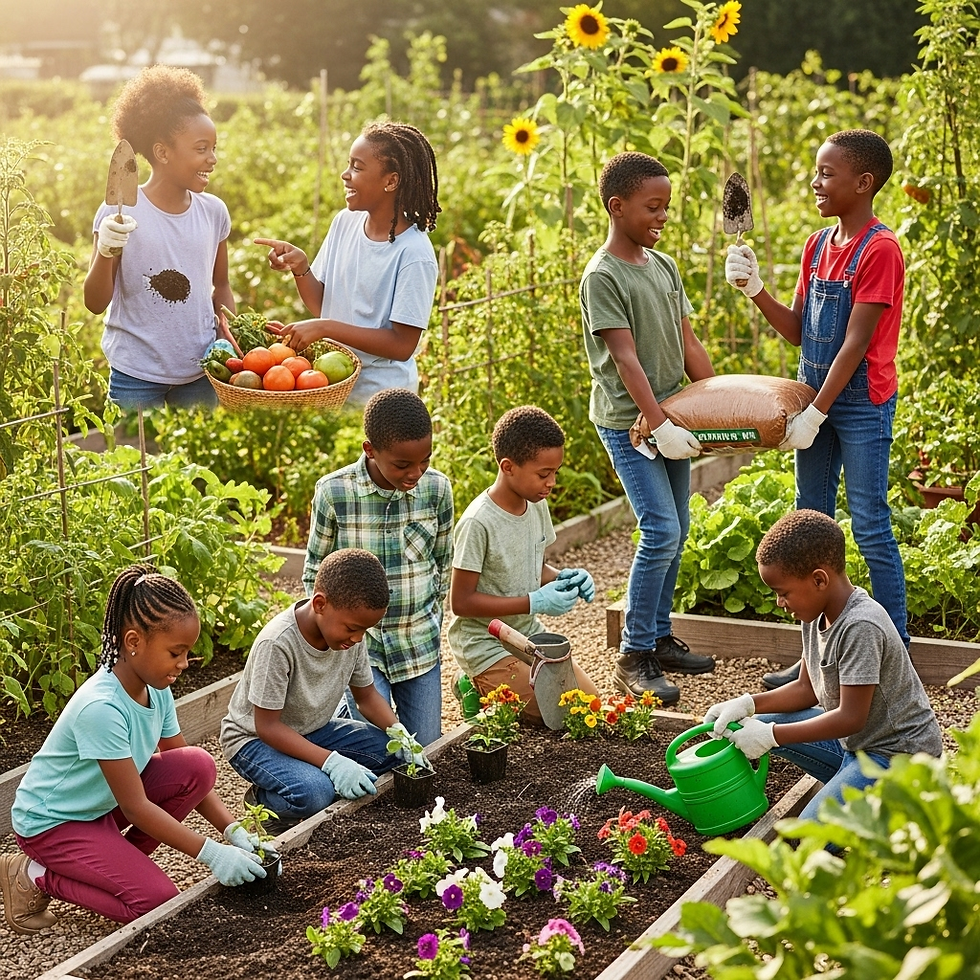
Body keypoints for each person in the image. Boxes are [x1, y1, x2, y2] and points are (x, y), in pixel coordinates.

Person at [725, 129, 910, 691]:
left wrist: (815, 413)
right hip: (816, 395)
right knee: (811, 523)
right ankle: (816, 659)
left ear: (864, 182)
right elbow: (802, 334)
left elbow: (854, 343)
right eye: (816, 171)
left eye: (827, 173)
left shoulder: (880, 250)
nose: (815, 181)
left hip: (858, 403)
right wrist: (755, 289)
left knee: (871, 522)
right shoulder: (816, 244)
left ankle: (892, 649)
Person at [1, 565, 269, 933]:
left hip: (98, 808)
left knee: (198, 765)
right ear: (133, 642)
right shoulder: (102, 708)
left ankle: (112, 865)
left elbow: (188, 770)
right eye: (176, 652)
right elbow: (136, 806)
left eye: (187, 652)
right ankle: (35, 874)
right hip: (54, 824)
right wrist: (212, 853)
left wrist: (234, 832)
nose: (184, 664)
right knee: (155, 902)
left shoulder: (156, 686)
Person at [579, 151, 717, 707]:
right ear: (617, 206)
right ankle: (633, 656)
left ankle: (658, 637)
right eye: (651, 207)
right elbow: (626, 360)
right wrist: (656, 425)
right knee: (659, 528)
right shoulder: (603, 275)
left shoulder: (663, 267)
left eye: (666, 208)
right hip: (629, 424)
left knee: (679, 527)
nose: (662, 217)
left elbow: (687, 344)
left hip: (673, 418)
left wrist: (719, 405)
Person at [704, 509, 942, 822]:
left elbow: (850, 718)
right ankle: (857, 792)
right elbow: (806, 689)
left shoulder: (861, 626)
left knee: (810, 835)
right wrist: (747, 704)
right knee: (757, 722)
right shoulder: (814, 612)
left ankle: (903, 811)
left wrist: (771, 736)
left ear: (819, 579)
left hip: (897, 758)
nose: (779, 602)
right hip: (854, 748)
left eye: (783, 593)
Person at [220, 549, 425, 827]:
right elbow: (267, 726)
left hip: (313, 729)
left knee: (391, 753)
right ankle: (262, 803)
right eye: (353, 628)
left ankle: (307, 772)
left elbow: (366, 697)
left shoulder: (350, 636)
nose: (358, 638)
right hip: (254, 740)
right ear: (320, 604)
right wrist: (332, 763)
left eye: (365, 630)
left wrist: (401, 736)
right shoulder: (278, 643)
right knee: (316, 793)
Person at [302, 388, 454, 747]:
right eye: (402, 465)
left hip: (418, 645)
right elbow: (314, 571)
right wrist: (332, 640)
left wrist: (432, 619)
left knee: (428, 748)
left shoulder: (437, 490)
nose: (415, 473)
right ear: (370, 450)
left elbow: (442, 565)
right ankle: (339, 716)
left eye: (424, 461)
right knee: (378, 750)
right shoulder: (334, 493)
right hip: (359, 650)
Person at [83, 65, 237, 411]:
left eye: (214, 148)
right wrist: (106, 251)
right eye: (201, 149)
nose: (212, 159)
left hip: (200, 373)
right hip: (136, 374)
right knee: (133, 461)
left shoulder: (213, 212)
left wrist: (229, 332)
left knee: (195, 464)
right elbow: (94, 302)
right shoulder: (120, 214)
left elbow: (221, 285)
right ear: (163, 152)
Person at [254, 121, 440, 405]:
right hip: (332, 383)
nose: (345, 174)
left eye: (357, 167)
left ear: (391, 181)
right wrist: (302, 268)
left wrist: (325, 327)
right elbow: (323, 305)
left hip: (379, 397)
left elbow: (402, 345)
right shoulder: (345, 222)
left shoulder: (414, 253)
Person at [447, 405, 599, 727]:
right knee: (558, 715)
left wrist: (565, 579)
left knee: (590, 708)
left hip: (529, 636)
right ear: (508, 466)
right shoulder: (479, 523)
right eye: (544, 474)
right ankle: (471, 682)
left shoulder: (535, 505)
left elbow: (534, 567)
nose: (552, 483)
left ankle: (488, 687)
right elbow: (460, 603)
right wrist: (535, 602)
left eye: (555, 472)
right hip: (486, 643)